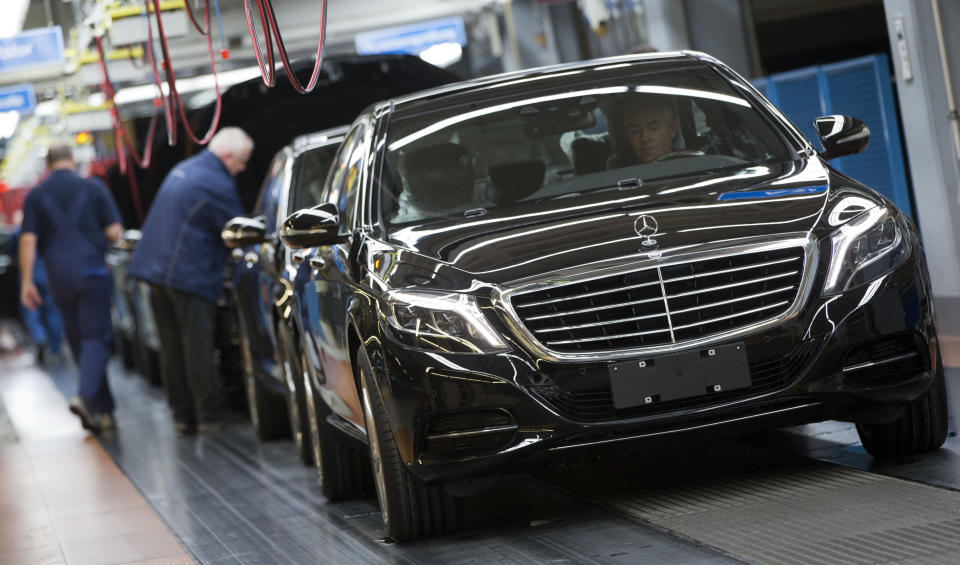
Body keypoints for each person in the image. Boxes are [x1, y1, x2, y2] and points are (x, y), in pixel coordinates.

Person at [127, 127, 253, 435]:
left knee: (172, 347)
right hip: (187, 275)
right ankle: (210, 415)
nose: (243, 169)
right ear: (227, 156)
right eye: (242, 162)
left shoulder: (184, 169)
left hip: (157, 272)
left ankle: (183, 415)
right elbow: (236, 232)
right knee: (197, 344)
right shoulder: (216, 182)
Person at [19, 144, 123, 432]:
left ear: (48, 165)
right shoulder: (93, 188)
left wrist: (27, 282)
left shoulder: (36, 196)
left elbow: (28, 240)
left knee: (79, 339)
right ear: (72, 160)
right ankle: (87, 397)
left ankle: (104, 411)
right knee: (97, 337)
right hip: (91, 271)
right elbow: (115, 231)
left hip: (58, 277)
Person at [622, 95, 679, 164]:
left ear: (673, 128)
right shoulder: (619, 173)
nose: (644, 138)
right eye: (635, 131)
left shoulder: (690, 164)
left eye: (653, 128)